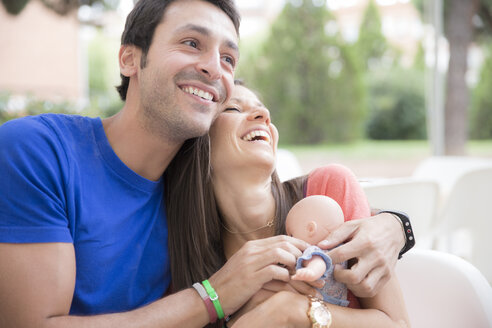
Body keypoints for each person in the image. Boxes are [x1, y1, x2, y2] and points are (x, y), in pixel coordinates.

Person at [0, 0, 411, 326]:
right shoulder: (39, 150)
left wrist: (397, 226)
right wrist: (214, 295)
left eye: (229, 58)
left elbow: (342, 218)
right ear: (129, 59)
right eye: (191, 43)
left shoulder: (188, 202)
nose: (214, 67)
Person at [165, 82, 411, 327]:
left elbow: (398, 324)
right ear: (195, 143)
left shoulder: (327, 190)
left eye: (262, 109)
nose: (264, 115)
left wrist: (290, 310)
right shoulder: (185, 258)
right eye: (232, 109)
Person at [286, 195, 350, 307]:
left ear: (310, 229)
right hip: (341, 302)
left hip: (321, 300)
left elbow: (318, 263)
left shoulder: (312, 250)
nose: (289, 239)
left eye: (291, 234)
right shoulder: (343, 248)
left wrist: (311, 271)